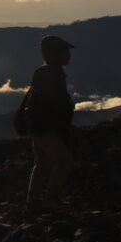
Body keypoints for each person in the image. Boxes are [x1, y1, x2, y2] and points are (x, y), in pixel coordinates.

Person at [24, 35, 75, 217]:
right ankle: (51, 199)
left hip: (37, 127)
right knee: (64, 162)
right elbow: (53, 105)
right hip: (47, 129)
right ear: (54, 54)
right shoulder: (52, 75)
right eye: (65, 52)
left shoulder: (43, 73)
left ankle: (33, 202)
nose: (68, 56)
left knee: (43, 163)